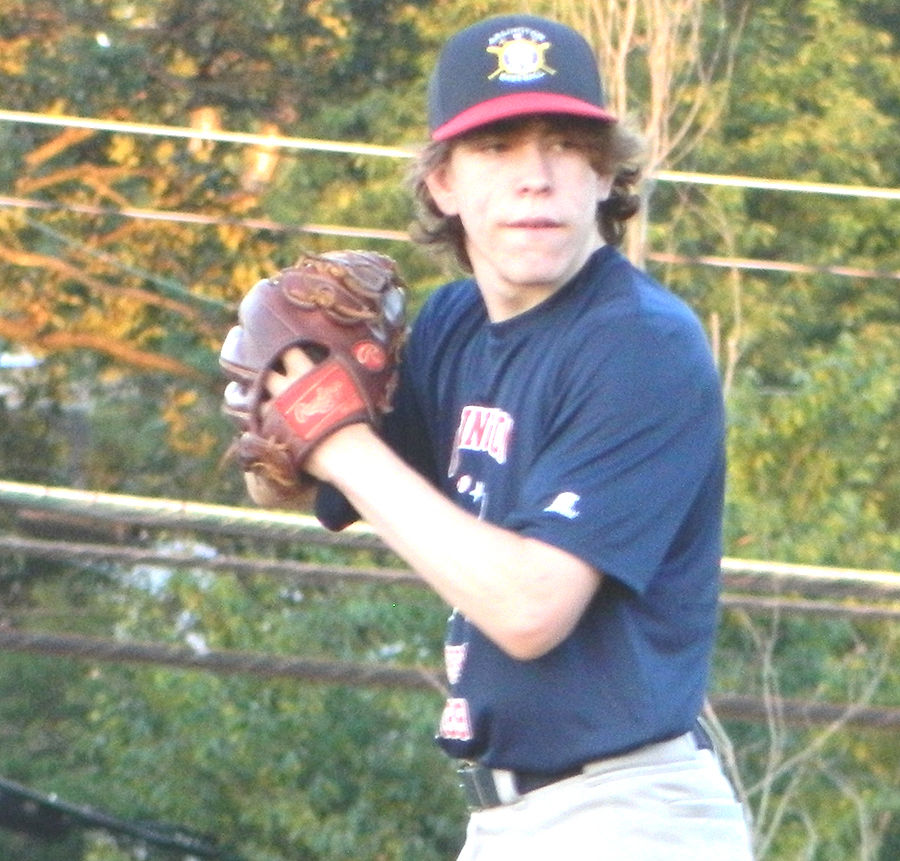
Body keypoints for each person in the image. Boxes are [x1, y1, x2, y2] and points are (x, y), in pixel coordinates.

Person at [254, 12, 754, 860]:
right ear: (442, 183)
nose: (536, 177)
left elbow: (529, 609)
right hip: (510, 817)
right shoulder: (452, 324)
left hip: (631, 815)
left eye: (566, 144)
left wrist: (330, 434)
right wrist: (277, 409)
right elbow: (299, 486)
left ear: (605, 174)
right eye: (496, 146)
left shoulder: (640, 344)